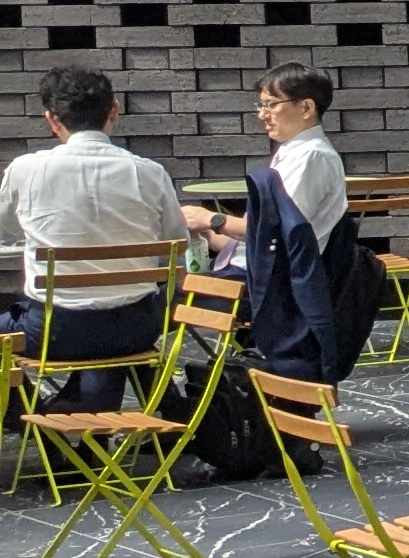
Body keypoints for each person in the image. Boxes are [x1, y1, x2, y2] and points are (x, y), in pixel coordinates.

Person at [176, 63, 359, 485]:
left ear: (307, 107)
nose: (263, 114)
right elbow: (266, 240)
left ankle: (176, 415)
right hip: (263, 273)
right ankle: (183, 413)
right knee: (162, 293)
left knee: (156, 302)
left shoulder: (311, 155)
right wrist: (210, 233)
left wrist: (214, 220)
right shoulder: (294, 152)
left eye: (270, 104)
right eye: (260, 105)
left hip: (274, 285)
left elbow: (281, 233)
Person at [0, 68, 189, 413]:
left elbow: (6, 231)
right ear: (114, 109)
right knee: (106, 329)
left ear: (51, 119)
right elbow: (177, 243)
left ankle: (27, 416)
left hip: (54, 333)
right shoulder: (150, 172)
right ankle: (76, 425)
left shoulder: (25, 170)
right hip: (138, 329)